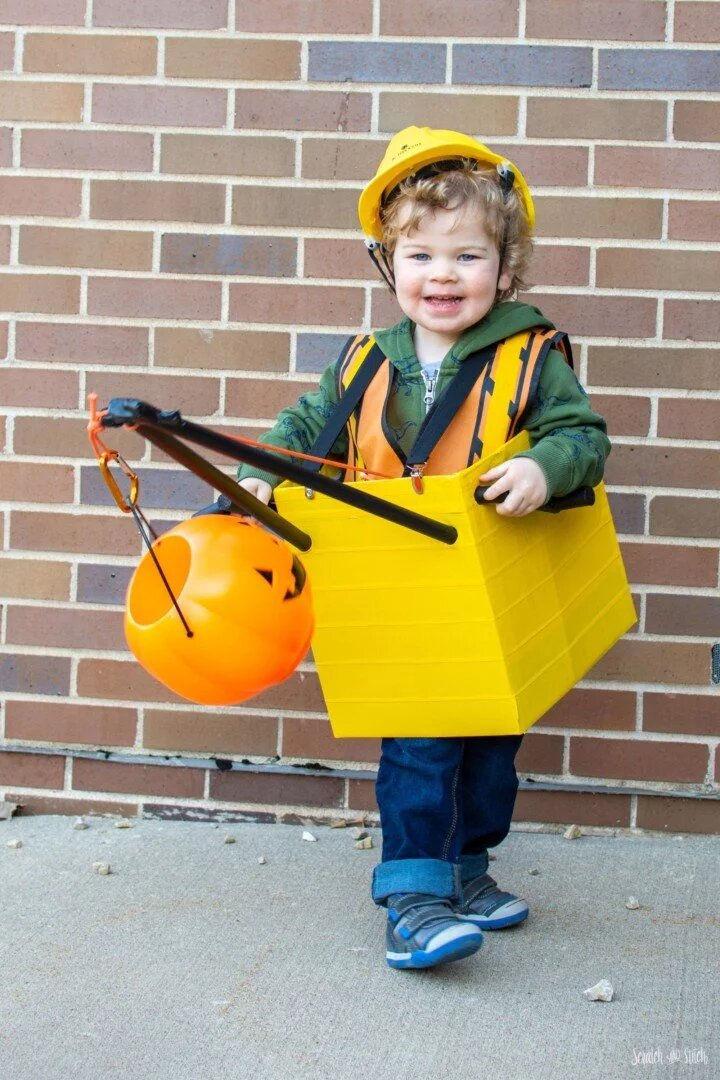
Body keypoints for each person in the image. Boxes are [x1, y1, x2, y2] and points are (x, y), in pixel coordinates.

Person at [232, 126, 611, 971]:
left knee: (487, 745)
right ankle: (412, 896)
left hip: (485, 583)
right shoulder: (367, 359)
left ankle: (469, 867)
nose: (443, 275)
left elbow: (581, 435)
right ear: (387, 263)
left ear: (505, 271)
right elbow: (303, 432)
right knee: (418, 742)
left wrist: (546, 469)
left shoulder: (532, 354)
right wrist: (260, 477)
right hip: (394, 586)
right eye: (420, 256)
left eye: (468, 256)